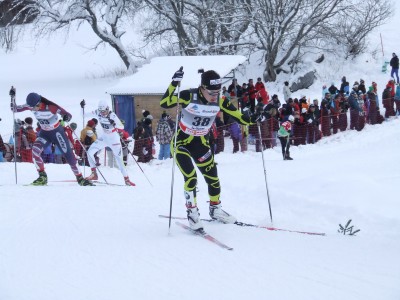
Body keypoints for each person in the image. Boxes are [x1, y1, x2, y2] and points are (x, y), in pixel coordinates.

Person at [160, 68, 259, 230]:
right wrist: (174, 83)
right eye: (211, 92)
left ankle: (215, 209)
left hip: (201, 144)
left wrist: (256, 117)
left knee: (213, 179)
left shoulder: (220, 101)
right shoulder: (188, 96)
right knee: (191, 177)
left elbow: (243, 118)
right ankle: (192, 213)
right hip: (182, 143)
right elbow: (165, 103)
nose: (215, 96)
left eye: (218, 92)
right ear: (202, 88)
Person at [10, 90, 93, 186]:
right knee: (35, 151)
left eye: (35, 107)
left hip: (57, 133)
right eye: (31, 107)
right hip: (44, 134)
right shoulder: (30, 105)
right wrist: (12, 97)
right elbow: (14, 109)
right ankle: (42, 176)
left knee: (69, 156)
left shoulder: (51, 107)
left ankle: (80, 178)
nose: (33, 109)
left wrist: (66, 117)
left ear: (40, 102)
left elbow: (68, 115)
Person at [80, 99, 135, 186]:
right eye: (101, 111)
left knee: (119, 160)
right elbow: (83, 115)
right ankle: (94, 174)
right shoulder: (97, 112)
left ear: (107, 108)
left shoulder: (112, 115)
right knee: (90, 152)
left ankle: (127, 179)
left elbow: (122, 126)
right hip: (105, 138)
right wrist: (82, 107)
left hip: (114, 140)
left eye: (104, 111)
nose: (102, 113)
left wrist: (115, 124)